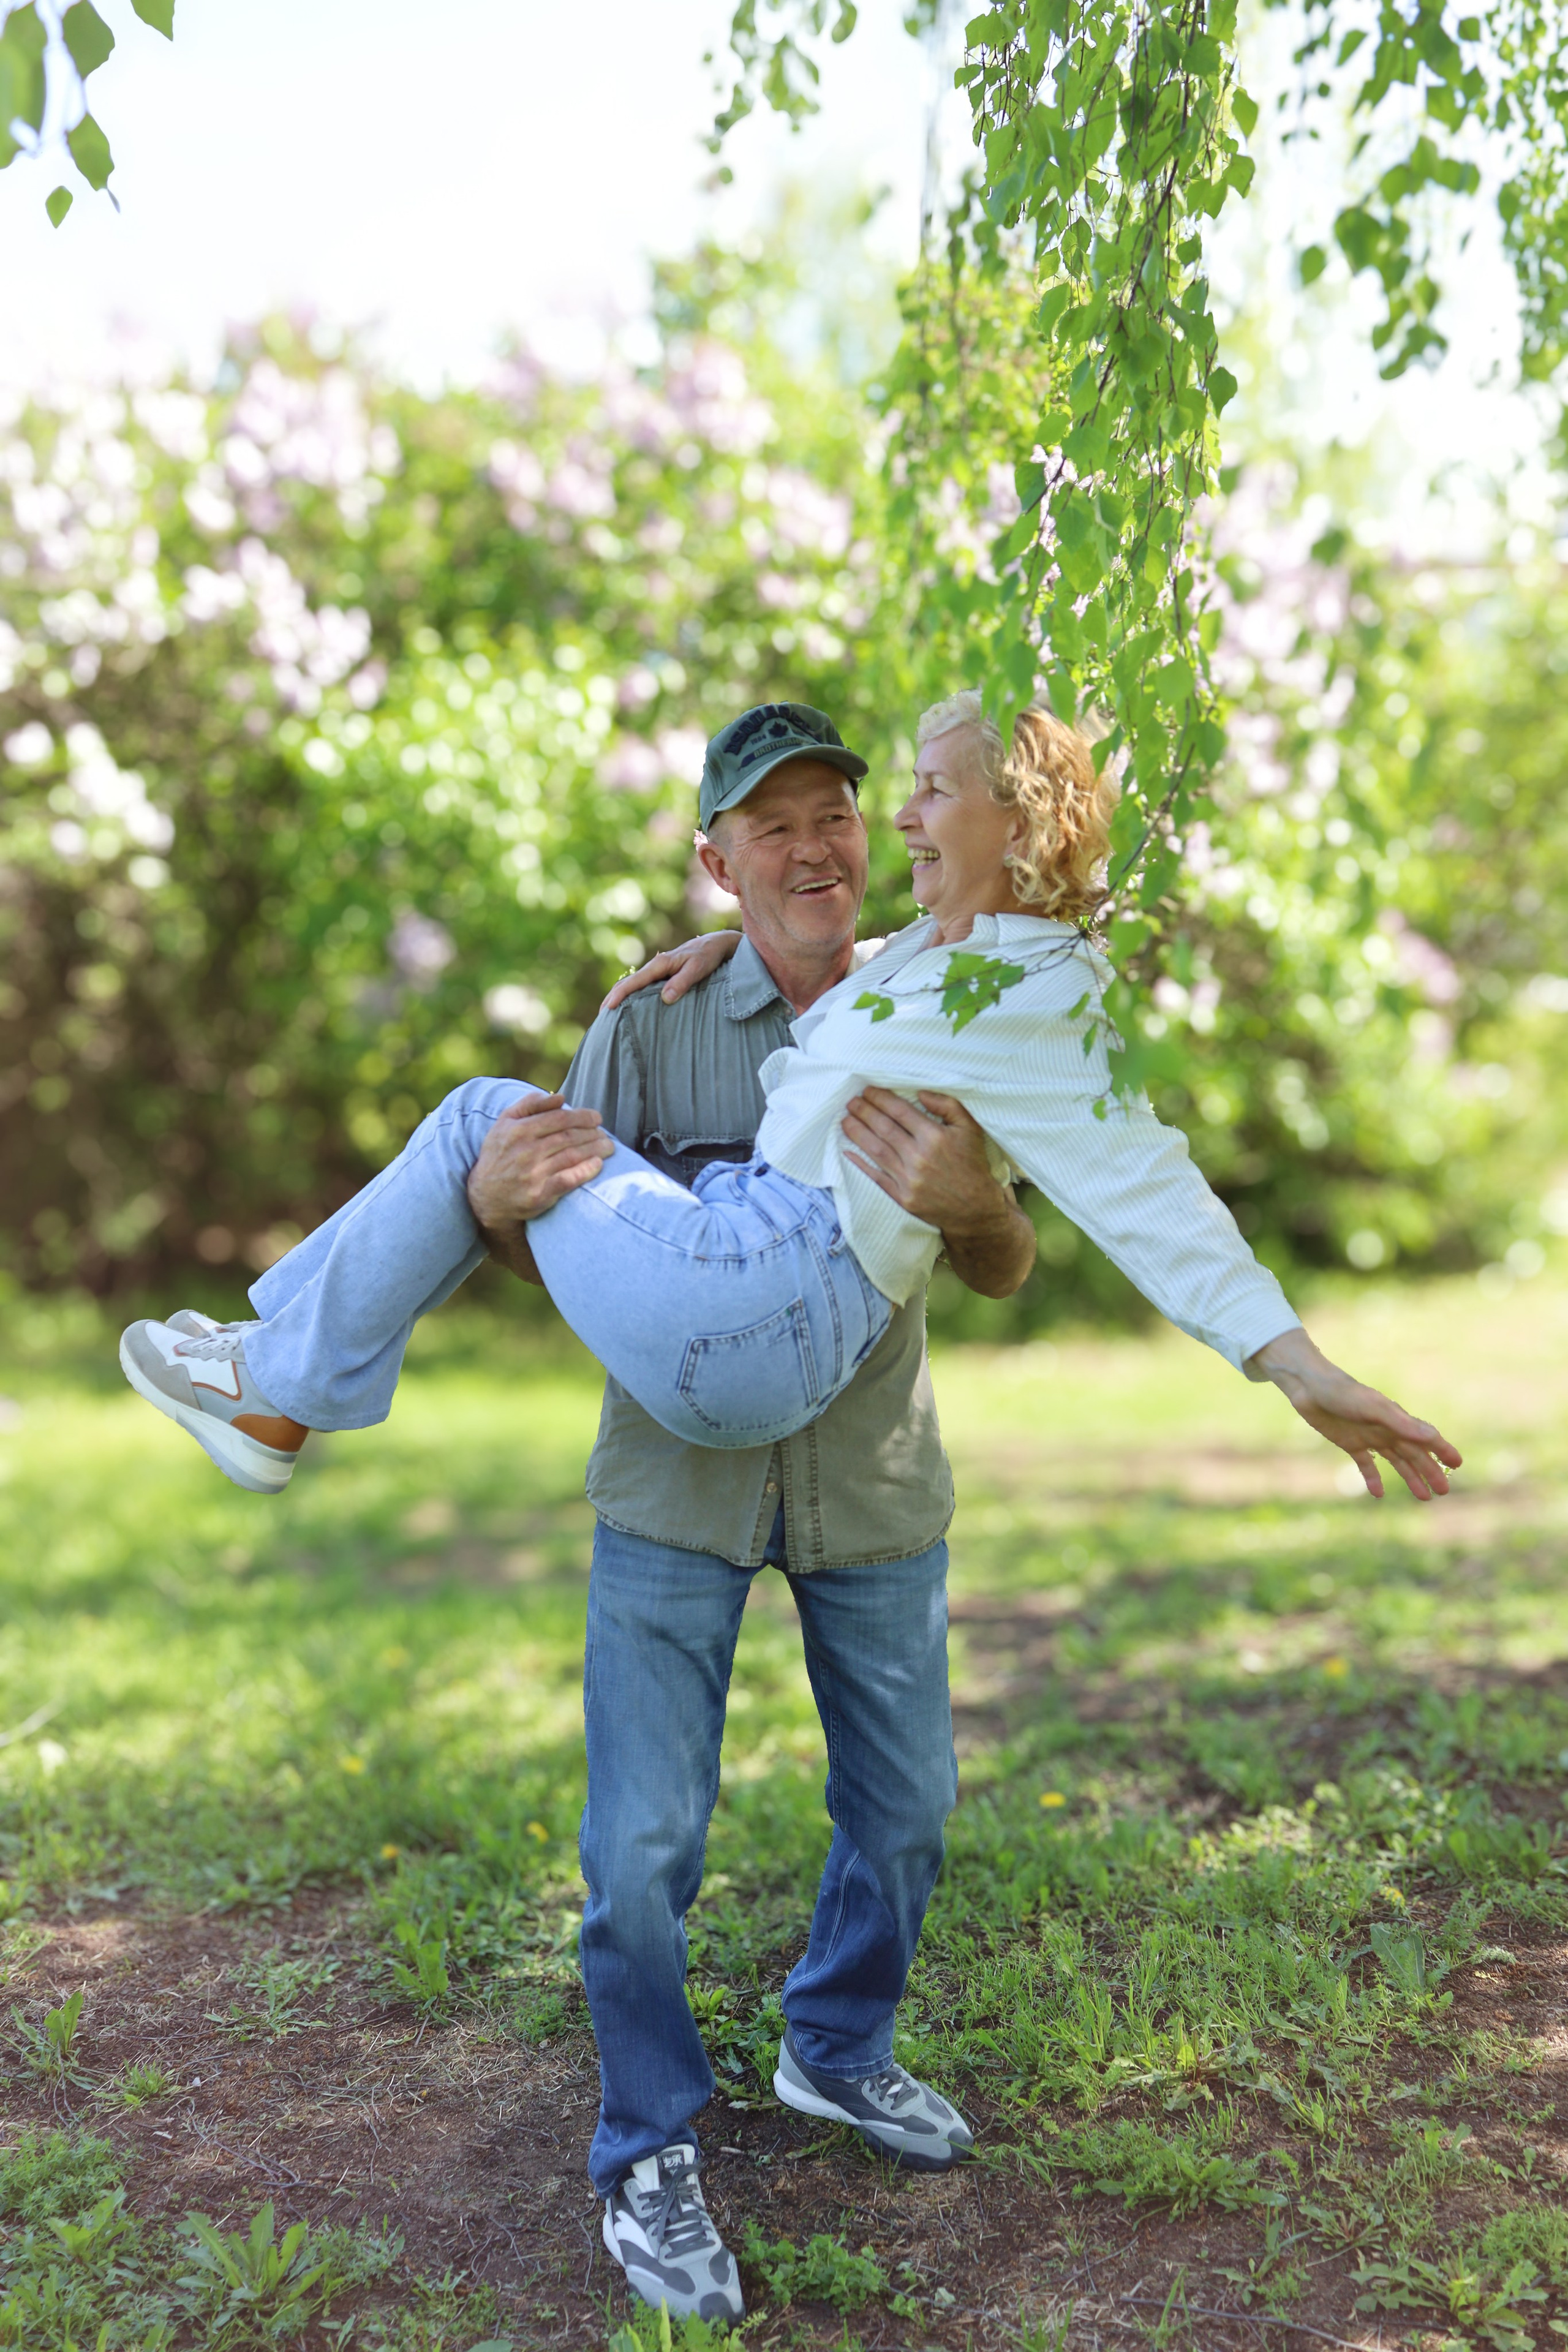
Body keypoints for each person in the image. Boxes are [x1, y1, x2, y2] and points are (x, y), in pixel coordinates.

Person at [118, 693, 1460, 2316]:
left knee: (901, 1816)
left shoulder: (1005, 988)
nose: (855, 835)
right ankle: (649, 2152)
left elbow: (1127, 1190)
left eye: (891, 800)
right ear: (723, 859)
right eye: (790, 825)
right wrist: (501, 1181)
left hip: (822, 1400)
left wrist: (1275, 1355)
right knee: (642, 1847)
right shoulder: (776, 991)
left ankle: (833, 2046)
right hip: (694, 1422)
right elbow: (521, 1224)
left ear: (1016, 828)